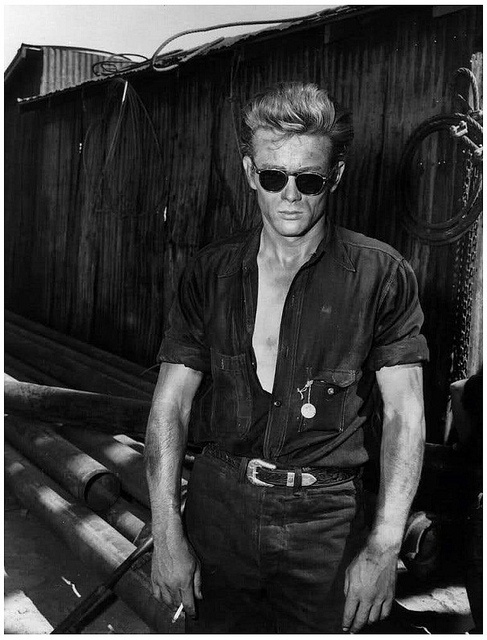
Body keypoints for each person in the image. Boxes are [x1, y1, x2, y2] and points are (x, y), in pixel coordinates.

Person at [145, 81, 429, 633]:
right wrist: (167, 532)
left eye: (310, 179)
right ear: (250, 172)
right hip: (219, 507)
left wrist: (384, 546)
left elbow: (405, 415)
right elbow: (169, 407)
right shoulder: (210, 273)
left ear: (336, 175)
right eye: (273, 177)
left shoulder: (381, 275)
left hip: (326, 526)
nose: (290, 195)